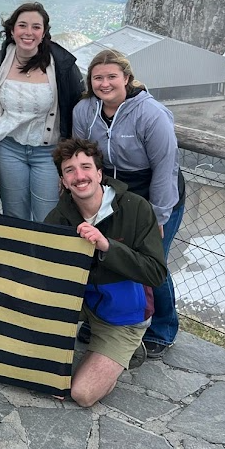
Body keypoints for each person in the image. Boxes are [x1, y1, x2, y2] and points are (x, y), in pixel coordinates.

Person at [71, 48, 184, 358]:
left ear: (127, 79)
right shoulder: (84, 111)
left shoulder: (151, 114)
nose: (105, 84)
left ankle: (162, 328)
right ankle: (106, 318)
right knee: (107, 254)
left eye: (112, 77)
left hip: (154, 190)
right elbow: (80, 154)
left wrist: (159, 217)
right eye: (98, 78)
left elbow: (165, 167)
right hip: (111, 191)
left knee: (151, 260)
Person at [44, 139, 165, 407]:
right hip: (82, 304)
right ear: (63, 181)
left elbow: (156, 273)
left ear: (99, 174)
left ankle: (124, 348)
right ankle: (91, 340)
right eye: (69, 170)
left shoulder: (136, 208)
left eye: (86, 167)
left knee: (82, 394)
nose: (79, 176)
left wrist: (108, 247)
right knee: (43, 374)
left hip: (123, 316)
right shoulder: (58, 217)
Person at [0, 1, 82, 221]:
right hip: (9, 148)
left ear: (44, 32)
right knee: (14, 215)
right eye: (23, 25)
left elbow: (76, 109)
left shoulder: (62, 65)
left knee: (46, 217)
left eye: (36, 27)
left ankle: (42, 256)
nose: (29, 32)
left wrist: (69, 158)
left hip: (49, 152)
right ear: (12, 30)